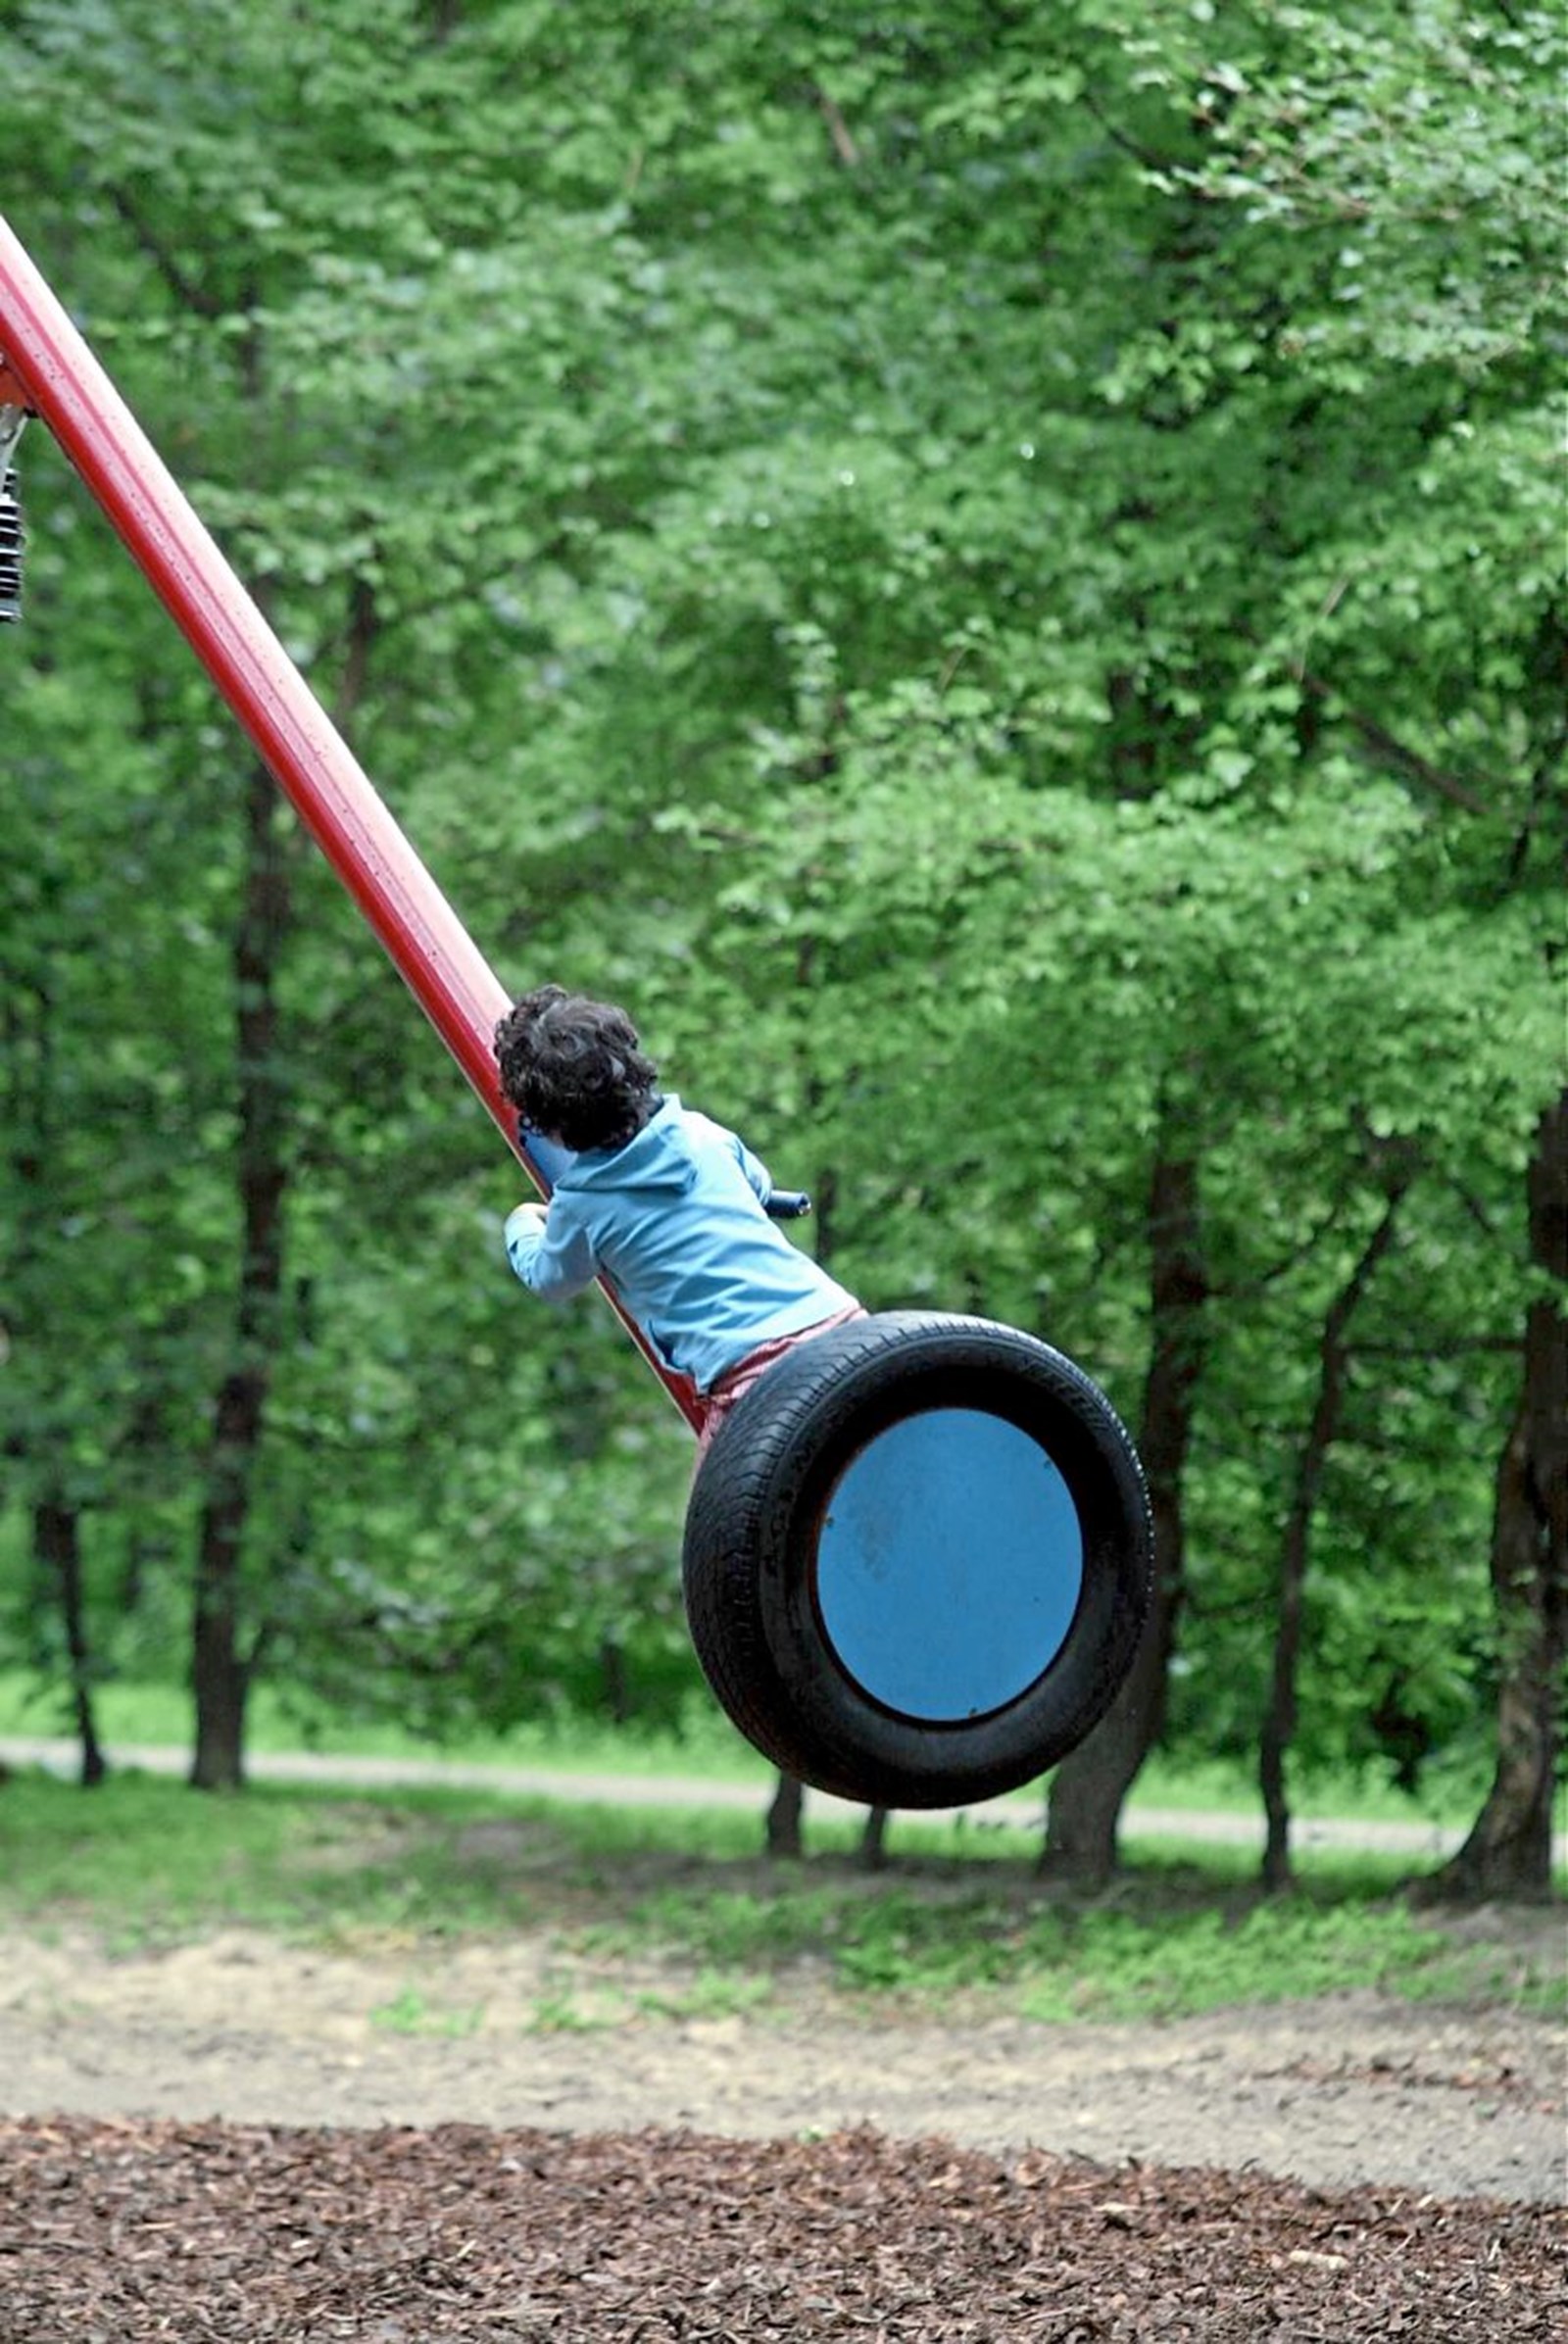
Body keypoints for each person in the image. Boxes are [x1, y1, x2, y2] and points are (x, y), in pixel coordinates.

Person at [494, 985, 863, 1456]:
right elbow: (757, 1184)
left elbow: (551, 1278)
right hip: (841, 1326)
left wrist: (522, 1224)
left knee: (716, 1526)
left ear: (548, 1126)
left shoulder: (581, 1204)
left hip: (753, 1378)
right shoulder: (700, 1133)